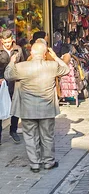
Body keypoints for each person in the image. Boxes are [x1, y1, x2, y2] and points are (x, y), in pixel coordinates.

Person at [5, 43, 70, 172]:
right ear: (45, 53)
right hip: (47, 108)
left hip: (27, 109)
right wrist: (56, 57)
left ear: (31, 53)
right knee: (47, 136)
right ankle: (49, 162)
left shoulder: (21, 67)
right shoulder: (52, 66)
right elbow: (66, 69)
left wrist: (12, 62)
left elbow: (8, 75)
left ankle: (35, 164)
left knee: (30, 136)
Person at [0, 30, 24, 143]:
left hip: (15, 82)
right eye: (5, 42)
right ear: (1, 41)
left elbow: (23, 64)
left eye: (9, 42)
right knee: (1, 107)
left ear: (12, 39)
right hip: (2, 83)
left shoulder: (18, 49)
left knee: (15, 107)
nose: (7, 44)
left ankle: (13, 130)